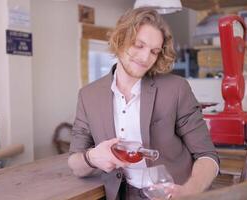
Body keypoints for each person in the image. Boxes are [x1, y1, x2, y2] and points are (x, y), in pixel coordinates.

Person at [68, 8, 219, 200]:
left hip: (174, 193)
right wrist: (92, 157)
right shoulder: (88, 95)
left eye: (154, 51)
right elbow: (75, 162)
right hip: (120, 193)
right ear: (120, 38)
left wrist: (188, 191)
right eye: (139, 45)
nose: (145, 57)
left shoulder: (176, 89)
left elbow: (208, 156)